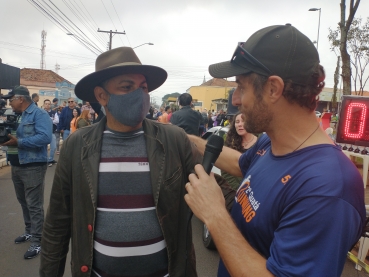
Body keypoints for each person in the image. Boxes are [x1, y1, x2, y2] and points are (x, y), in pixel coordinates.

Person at [185, 24, 366, 277]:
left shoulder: (327, 188)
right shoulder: (271, 142)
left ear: (273, 89)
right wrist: (187, 139)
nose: (235, 100)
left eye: (241, 87)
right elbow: (241, 164)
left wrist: (215, 214)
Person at [40, 46, 201, 277]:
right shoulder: (77, 146)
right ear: (101, 95)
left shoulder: (174, 140)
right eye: (127, 87)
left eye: (143, 87)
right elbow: (57, 223)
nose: (140, 94)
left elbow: (213, 189)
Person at [1, 86, 52, 259]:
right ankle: (30, 231)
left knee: (34, 205)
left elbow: (45, 137)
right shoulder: (16, 114)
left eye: (11, 99)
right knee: (23, 202)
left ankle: (38, 241)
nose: (9, 103)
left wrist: (19, 142)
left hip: (32, 165)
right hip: (16, 164)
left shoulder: (40, 114)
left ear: (21, 99)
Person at [222, 112, 257, 190]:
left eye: (243, 121)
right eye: (237, 122)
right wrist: (239, 188)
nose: (240, 124)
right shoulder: (229, 143)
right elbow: (225, 170)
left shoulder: (261, 143)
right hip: (234, 191)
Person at [43, 99, 58, 166]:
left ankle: (50, 159)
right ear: (44, 104)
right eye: (46, 103)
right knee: (44, 147)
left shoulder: (54, 112)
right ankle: (45, 160)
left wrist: (48, 120)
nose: (47, 105)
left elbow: (57, 121)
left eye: (49, 104)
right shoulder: (41, 112)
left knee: (54, 147)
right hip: (43, 133)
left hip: (52, 132)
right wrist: (51, 119)